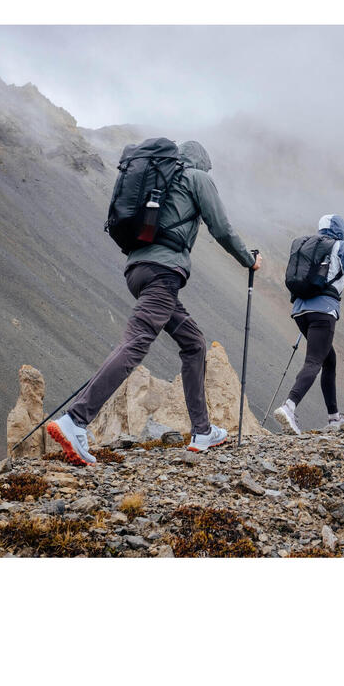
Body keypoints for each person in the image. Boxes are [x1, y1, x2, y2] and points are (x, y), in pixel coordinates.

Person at [47, 139, 261, 465]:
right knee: (135, 344)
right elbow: (222, 228)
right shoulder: (196, 177)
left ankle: (202, 430)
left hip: (139, 269)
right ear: (203, 163)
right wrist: (249, 260)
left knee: (194, 344)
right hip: (163, 273)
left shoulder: (166, 177)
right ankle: (75, 419)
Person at [274, 214, 344, 434]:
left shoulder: (309, 246)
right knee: (315, 360)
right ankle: (289, 406)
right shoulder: (341, 247)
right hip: (323, 312)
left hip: (300, 312)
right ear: (341, 230)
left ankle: (334, 418)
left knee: (329, 360)